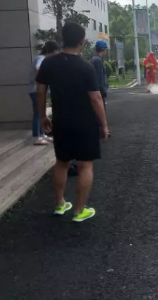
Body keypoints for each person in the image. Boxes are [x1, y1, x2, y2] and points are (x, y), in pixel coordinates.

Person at [36, 23, 109, 223]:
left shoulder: (48, 63)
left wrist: (42, 116)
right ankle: (79, 210)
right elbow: (95, 97)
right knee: (85, 165)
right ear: (81, 42)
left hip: (61, 121)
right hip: (85, 123)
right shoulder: (85, 67)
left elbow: (41, 92)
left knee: (62, 163)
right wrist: (104, 124)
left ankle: (60, 204)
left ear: (63, 39)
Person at [29, 41, 59, 145]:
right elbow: (38, 68)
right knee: (38, 113)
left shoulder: (41, 58)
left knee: (41, 112)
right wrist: (43, 80)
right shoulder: (41, 58)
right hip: (35, 90)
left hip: (36, 89)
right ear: (54, 51)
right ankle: (36, 136)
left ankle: (42, 135)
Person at [90, 40, 109, 106]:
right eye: (105, 49)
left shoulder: (95, 59)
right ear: (103, 49)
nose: (106, 51)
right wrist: (102, 91)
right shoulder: (98, 61)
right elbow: (99, 78)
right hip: (99, 93)